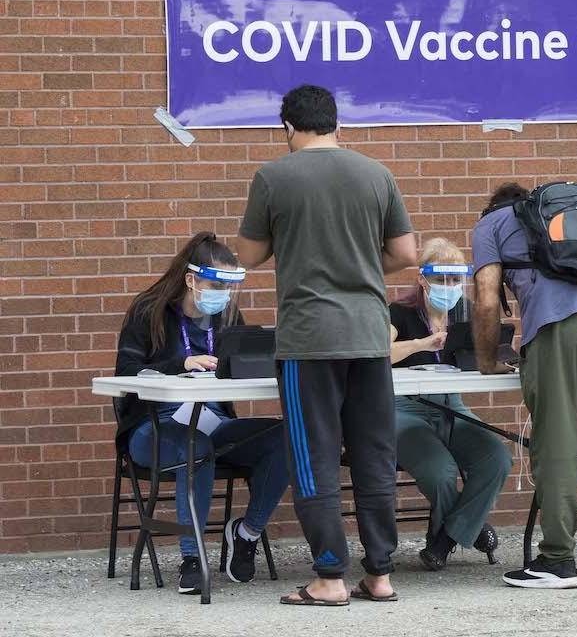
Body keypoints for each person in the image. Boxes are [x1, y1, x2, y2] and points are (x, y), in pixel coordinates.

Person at [237, 85, 418, 607]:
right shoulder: (376, 173)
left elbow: (248, 255)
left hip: (309, 338)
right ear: (338, 125)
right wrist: (357, 261)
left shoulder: (274, 176)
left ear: (288, 127)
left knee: (313, 454)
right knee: (374, 452)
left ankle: (330, 577)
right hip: (369, 334)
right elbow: (406, 253)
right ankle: (380, 573)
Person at [472, 183, 577, 589]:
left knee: (557, 442)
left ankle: (557, 560)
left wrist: (488, 360)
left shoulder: (491, 224)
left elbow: (487, 300)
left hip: (555, 325)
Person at [115, 232, 289, 595]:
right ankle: (191, 558)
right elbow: (126, 371)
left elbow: (239, 365)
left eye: (227, 288)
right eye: (215, 286)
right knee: (195, 446)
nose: (222, 295)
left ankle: (247, 534)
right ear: (191, 280)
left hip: (213, 421)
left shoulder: (226, 315)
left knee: (287, 438)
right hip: (154, 428)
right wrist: (180, 364)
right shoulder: (149, 311)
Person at [388, 238, 512, 571]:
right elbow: (380, 351)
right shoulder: (399, 312)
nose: (450, 286)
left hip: (451, 405)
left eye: (456, 279)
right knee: (441, 472)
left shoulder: (465, 312)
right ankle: (470, 528)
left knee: (496, 458)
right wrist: (421, 344)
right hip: (403, 407)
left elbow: (487, 351)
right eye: (440, 279)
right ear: (422, 279)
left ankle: (445, 539)